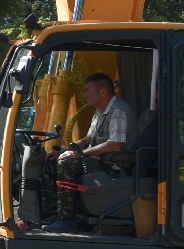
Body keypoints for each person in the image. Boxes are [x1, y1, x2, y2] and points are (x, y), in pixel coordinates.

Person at [42, 73, 134, 233]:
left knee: (67, 162)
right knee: (52, 160)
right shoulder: (99, 113)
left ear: (102, 92)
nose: (84, 95)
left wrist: (81, 154)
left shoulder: (118, 111)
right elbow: (88, 138)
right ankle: (54, 214)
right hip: (99, 160)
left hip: (115, 165)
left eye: (87, 91)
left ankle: (68, 220)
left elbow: (115, 145)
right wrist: (64, 151)